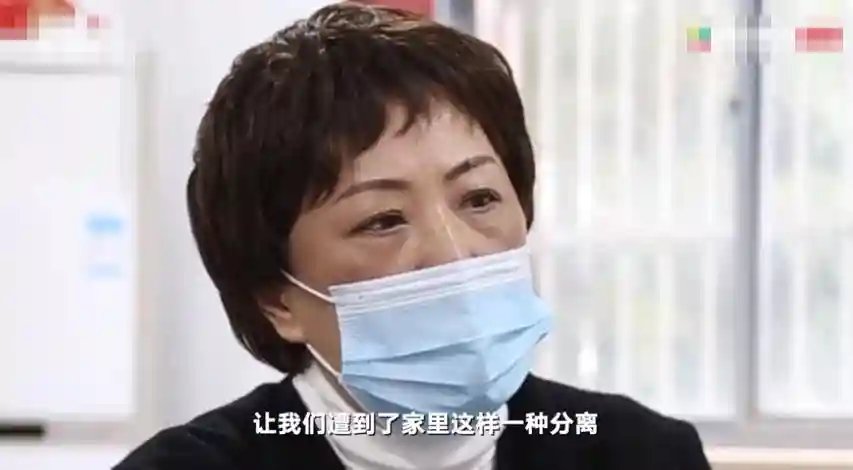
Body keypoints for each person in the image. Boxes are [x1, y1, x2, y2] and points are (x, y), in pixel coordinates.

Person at [114, 3, 711, 469]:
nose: (454, 252)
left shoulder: (640, 454)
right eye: (383, 220)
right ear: (278, 299)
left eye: (479, 199)